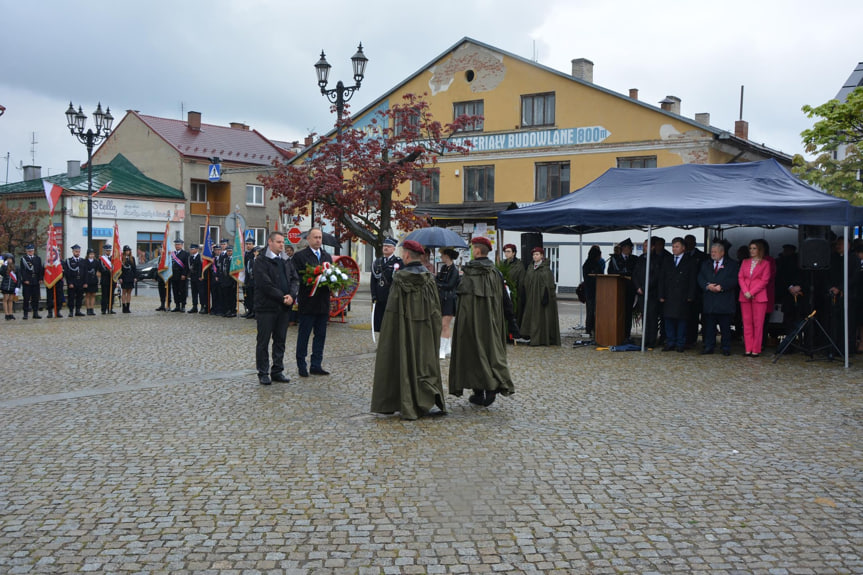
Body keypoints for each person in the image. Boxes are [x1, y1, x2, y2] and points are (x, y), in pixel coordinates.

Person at [371, 239, 446, 419]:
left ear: (405, 255)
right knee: (425, 364)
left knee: (400, 362)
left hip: (403, 330)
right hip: (425, 330)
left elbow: (392, 313)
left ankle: (397, 401)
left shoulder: (399, 281)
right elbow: (436, 311)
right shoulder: (429, 280)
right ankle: (426, 400)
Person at [448, 236, 515, 407]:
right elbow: (506, 300)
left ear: (477, 251)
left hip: (469, 324)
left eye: (472, 248)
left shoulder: (469, 273)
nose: (471, 251)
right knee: (489, 353)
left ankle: (485, 389)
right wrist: (511, 321)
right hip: (491, 324)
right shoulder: (496, 273)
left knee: (471, 355)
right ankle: (481, 391)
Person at [254, 231, 299, 385]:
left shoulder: (286, 260)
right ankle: (263, 372)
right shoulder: (261, 260)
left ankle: (277, 370)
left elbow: (294, 279)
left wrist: (291, 296)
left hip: (284, 307)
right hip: (266, 307)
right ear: (270, 242)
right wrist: (282, 297)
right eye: (279, 242)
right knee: (263, 341)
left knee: (280, 340)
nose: (282, 245)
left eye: (283, 243)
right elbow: (265, 284)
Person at [294, 228, 333, 377]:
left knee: (320, 335)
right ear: (308, 239)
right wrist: (313, 278)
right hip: (308, 302)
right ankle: (301, 364)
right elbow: (296, 276)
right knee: (304, 335)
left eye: (320, 237)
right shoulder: (300, 256)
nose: (318, 240)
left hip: (323, 302)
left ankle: (316, 364)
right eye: (315, 237)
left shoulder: (326, 256)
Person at [698, 241, 739, 356]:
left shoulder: (732, 264)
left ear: (722, 253)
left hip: (724, 301)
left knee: (725, 327)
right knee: (709, 327)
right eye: (711, 251)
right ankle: (709, 346)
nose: (713, 254)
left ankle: (726, 347)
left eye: (715, 252)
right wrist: (707, 285)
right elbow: (700, 277)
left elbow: (734, 279)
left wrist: (722, 287)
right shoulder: (706, 264)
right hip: (710, 300)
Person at [658, 237, 697, 352]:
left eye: (677, 246)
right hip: (669, 295)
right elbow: (662, 278)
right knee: (668, 320)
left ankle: (680, 343)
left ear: (683, 248)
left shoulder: (690, 261)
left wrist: (691, 295)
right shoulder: (667, 260)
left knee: (682, 321)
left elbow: (692, 280)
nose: (674, 249)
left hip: (683, 295)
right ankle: (670, 342)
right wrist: (661, 294)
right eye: (673, 246)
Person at [633, 236, 670, 349]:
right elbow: (635, 274)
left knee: (652, 318)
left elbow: (656, 277)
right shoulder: (641, 259)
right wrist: (638, 287)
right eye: (644, 245)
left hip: (652, 293)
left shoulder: (657, 260)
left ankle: (651, 340)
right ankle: (645, 339)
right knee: (645, 317)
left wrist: (645, 287)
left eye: (646, 246)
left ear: (652, 247)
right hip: (641, 293)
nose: (644, 248)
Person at [738, 240, 773, 357]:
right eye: (750, 248)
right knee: (747, 323)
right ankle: (748, 348)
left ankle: (756, 349)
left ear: (760, 250)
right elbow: (740, 277)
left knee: (758, 324)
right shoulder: (745, 262)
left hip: (759, 296)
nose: (752, 251)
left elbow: (765, 280)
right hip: (745, 295)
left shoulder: (765, 263)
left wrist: (752, 292)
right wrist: (745, 291)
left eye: (754, 248)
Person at [520, 246, 561, 346]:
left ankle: (542, 338)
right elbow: (526, 281)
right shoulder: (530, 268)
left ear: (542, 256)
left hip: (542, 298)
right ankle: (531, 336)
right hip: (531, 298)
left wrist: (546, 295)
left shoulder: (545, 269)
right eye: (533, 255)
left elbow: (549, 283)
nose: (535, 256)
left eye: (537, 254)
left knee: (542, 318)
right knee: (532, 317)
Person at [606, 237, 638, 342]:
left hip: (629, 290)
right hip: (617, 290)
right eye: (628, 248)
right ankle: (616, 333)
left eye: (631, 248)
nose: (630, 250)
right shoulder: (615, 259)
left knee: (628, 312)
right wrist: (623, 274)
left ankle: (626, 334)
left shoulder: (634, 259)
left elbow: (635, 273)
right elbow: (610, 272)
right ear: (623, 248)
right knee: (617, 312)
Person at [370, 237, 403, 333]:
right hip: (379, 297)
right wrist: (374, 295)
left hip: (391, 297)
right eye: (384, 246)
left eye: (388, 246)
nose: (385, 248)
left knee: (391, 324)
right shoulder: (377, 262)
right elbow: (373, 281)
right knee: (379, 324)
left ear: (393, 249)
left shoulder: (398, 262)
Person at [436, 247, 460, 358]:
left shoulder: (454, 270)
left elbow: (450, 285)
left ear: (447, 256)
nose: (441, 257)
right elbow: (438, 279)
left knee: (444, 324)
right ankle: (448, 348)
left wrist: (439, 284)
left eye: (442, 255)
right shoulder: (444, 268)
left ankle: (442, 350)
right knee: (445, 325)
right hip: (442, 298)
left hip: (450, 299)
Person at [500, 243, 525, 330]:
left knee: (513, 313)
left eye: (508, 251)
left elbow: (521, 281)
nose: (506, 253)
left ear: (514, 253)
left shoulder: (519, 265)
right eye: (505, 252)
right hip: (503, 292)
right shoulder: (503, 263)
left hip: (514, 293)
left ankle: (512, 333)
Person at [581, 245, 605, 338]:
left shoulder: (591, 263)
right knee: (591, 311)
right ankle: (590, 329)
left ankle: (591, 329)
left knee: (591, 311)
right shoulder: (590, 264)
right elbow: (589, 278)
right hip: (592, 291)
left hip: (592, 290)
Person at [18, 243, 43, 319]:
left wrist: (40, 278)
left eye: (32, 251)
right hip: (27, 281)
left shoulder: (37, 258)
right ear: (26, 251)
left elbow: (40, 269)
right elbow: (22, 270)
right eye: (29, 251)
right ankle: (25, 314)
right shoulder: (23, 259)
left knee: (35, 298)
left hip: (35, 280)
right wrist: (25, 279)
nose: (30, 252)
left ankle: (35, 313)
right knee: (26, 298)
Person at [63, 244, 86, 317]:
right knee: (71, 297)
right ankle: (71, 311)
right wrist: (69, 282)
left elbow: (85, 273)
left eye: (78, 251)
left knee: (80, 296)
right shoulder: (68, 261)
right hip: (73, 282)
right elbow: (67, 273)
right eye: (76, 251)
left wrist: (85, 282)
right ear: (73, 252)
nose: (77, 253)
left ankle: (78, 310)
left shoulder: (83, 261)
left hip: (81, 281)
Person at [170, 239, 189, 312]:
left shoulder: (185, 254)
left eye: (178, 244)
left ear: (182, 245)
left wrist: (184, 274)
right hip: (174, 275)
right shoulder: (173, 254)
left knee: (182, 291)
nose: (177, 246)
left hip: (181, 276)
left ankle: (183, 305)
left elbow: (186, 265)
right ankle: (177, 305)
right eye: (176, 245)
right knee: (175, 290)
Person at [220, 244, 237, 317]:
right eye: (228, 251)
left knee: (232, 297)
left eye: (230, 251)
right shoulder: (225, 259)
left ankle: (233, 310)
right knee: (225, 296)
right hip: (225, 280)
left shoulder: (235, 259)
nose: (229, 252)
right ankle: (227, 310)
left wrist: (234, 282)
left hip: (232, 281)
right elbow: (222, 269)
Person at [98, 244, 116, 315]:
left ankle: (110, 308)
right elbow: (101, 268)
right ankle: (103, 309)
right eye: (107, 250)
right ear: (104, 251)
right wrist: (109, 271)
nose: (108, 252)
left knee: (111, 295)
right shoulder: (102, 259)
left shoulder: (113, 258)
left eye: (109, 250)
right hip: (105, 280)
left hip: (112, 280)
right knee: (104, 295)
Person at [119, 245, 137, 313]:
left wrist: (135, 277)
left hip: (130, 277)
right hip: (124, 277)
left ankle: (128, 307)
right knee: (124, 292)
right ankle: (124, 307)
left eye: (129, 251)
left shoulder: (132, 258)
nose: (128, 252)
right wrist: (120, 277)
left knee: (129, 292)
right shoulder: (121, 258)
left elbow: (134, 268)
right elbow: (119, 269)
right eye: (126, 251)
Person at [1, 253, 19, 320]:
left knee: (11, 300)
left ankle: (11, 313)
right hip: (5, 285)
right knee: (5, 299)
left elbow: (18, 277)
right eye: (8, 259)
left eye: (10, 259)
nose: (9, 260)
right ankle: (6, 314)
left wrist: (17, 286)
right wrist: (3, 266)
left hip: (12, 285)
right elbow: (1, 273)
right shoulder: (4, 266)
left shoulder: (16, 267)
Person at [242, 238, 257, 318]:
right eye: (247, 244)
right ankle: (249, 310)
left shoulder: (254, 253)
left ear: (253, 244)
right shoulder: (246, 254)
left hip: (254, 279)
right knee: (247, 296)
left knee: (253, 296)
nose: (248, 245)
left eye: (250, 244)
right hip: (247, 278)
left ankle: (253, 311)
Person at [83, 248, 99, 315]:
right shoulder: (85, 261)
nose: (91, 255)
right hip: (87, 280)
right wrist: (84, 282)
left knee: (93, 295)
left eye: (92, 254)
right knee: (88, 295)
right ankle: (88, 309)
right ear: (88, 255)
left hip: (94, 280)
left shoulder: (96, 262)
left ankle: (92, 308)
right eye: (90, 254)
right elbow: (83, 272)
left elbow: (98, 270)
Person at [187, 243, 202, 314]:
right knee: (194, 293)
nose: (191, 250)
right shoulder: (190, 257)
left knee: (201, 293)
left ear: (197, 249)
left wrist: (200, 276)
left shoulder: (200, 257)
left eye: (192, 249)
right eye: (191, 249)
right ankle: (194, 306)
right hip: (193, 277)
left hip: (199, 277)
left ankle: (202, 306)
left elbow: (200, 267)